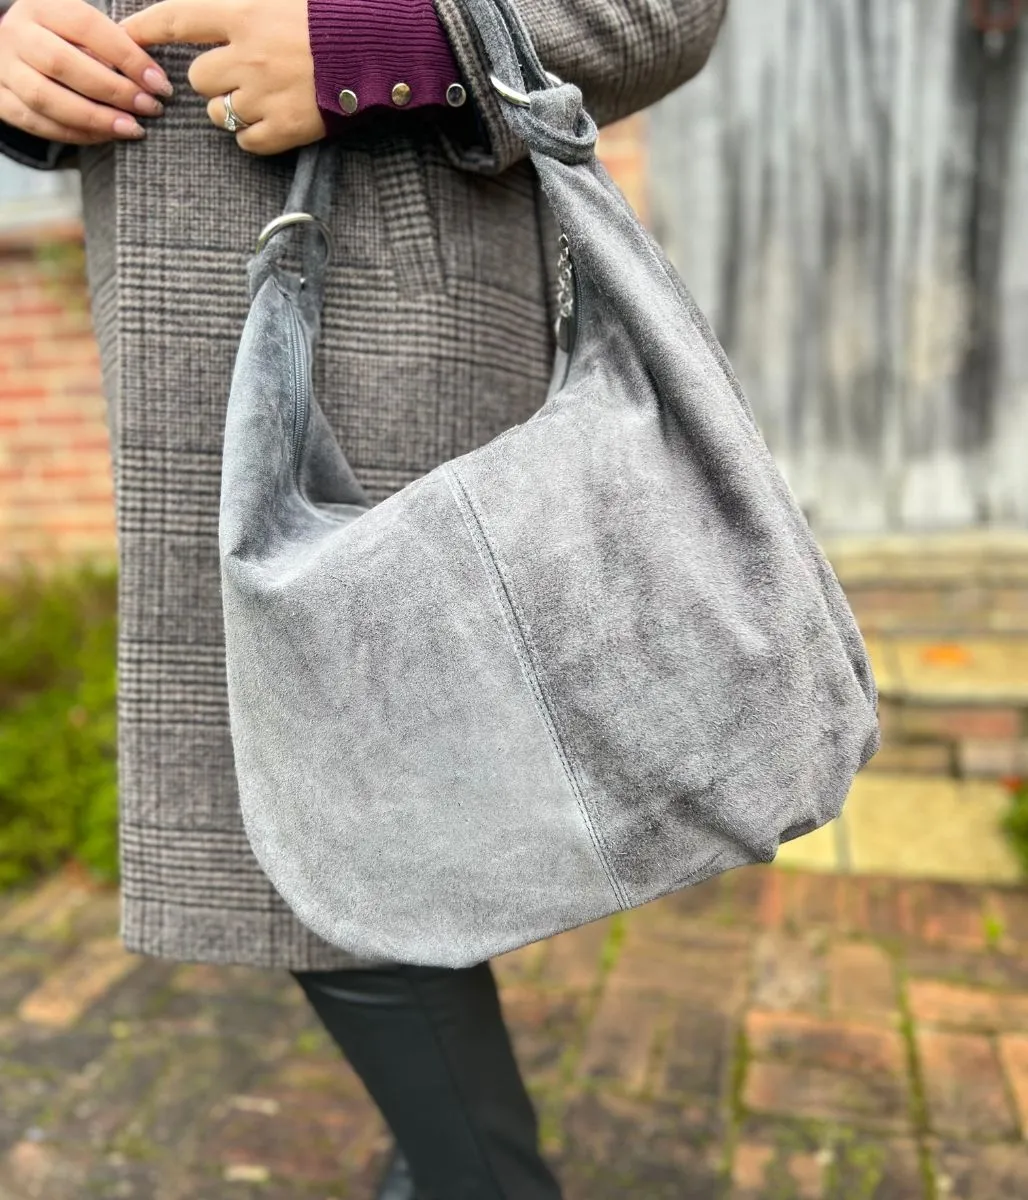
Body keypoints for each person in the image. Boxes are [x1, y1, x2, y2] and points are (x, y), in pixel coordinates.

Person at [0, 0, 726, 1195]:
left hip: (386, 307)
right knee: (370, 822)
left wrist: (385, 47)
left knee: (354, 815)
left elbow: (660, 12)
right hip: (180, 328)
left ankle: (479, 1175)